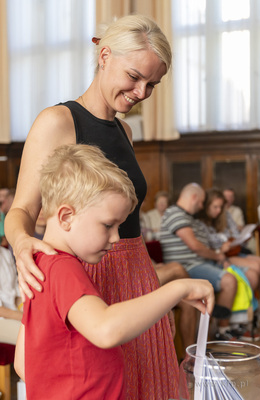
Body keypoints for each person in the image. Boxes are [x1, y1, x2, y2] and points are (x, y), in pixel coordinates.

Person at [5, 14, 180, 399]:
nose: (141, 91)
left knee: (145, 383)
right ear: (104, 56)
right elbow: (20, 211)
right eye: (134, 76)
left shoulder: (125, 130)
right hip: (88, 276)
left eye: (152, 84)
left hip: (135, 274)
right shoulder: (57, 121)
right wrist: (21, 245)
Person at [14, 144, 214, 400]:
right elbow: (106, 328)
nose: (116, 237)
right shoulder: (63, 268)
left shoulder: (40, 265)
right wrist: (178, 288)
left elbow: (23, 362)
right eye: (108, 225)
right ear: (66, 217)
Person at [160, 183, 240, 341]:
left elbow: (206, 245)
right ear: (194, 198)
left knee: (240, 272)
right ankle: (221, 333)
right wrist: (218, 257)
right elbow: (195, 246)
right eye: (202, 202)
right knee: (229, 280)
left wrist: (221, 258)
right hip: (189, 266)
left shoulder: (190, 218)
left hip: (201, 264)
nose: (202, 206)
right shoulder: (175, 213)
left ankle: (214, 332)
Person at [197, 187, 260, 330]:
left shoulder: (223, 215)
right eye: (215, 206)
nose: (218, 210)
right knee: (255, 271)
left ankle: (258, 312)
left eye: (221, 207)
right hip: (219, 256)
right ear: (206, 205)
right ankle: (239, 319)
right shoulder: (201, 222)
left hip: (232, 251)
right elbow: (209, 246)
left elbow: (234, 232)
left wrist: (228, 240)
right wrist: (223, 244)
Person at [0, 245, 22, 345]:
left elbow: (15, 290)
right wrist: (24, 316)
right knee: (30, 333)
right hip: (2, 318)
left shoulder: (5, 253)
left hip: (13, 307)